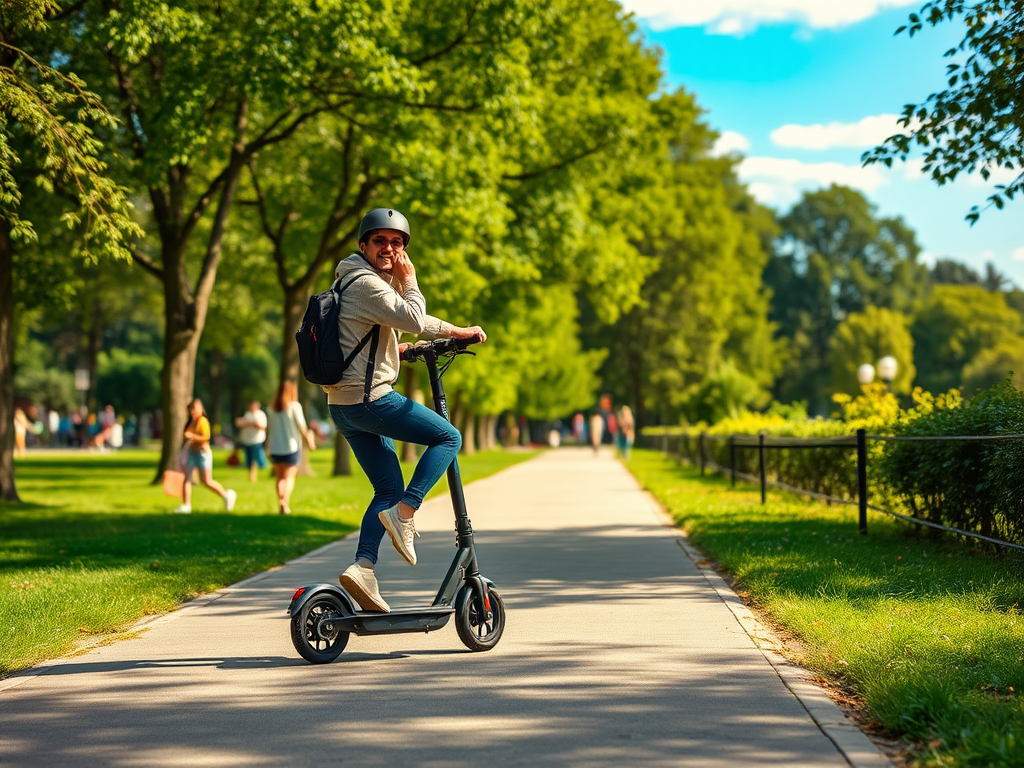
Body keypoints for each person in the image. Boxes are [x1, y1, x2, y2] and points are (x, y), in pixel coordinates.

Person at [324, 208, 485, 613]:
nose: (390, 250)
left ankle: (363, 568)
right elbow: (411, 316)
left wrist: (453, 331)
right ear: (363, 245)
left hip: (344, 407)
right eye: (381, 242)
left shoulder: (351, 282)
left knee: (385, 488)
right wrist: (408, 278)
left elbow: (389, 328)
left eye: (397, 244)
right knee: (449, 436)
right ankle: (406, 513)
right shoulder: (369, 285)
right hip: (372, 401)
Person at [174, 398, 236, 514]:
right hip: (192, 453)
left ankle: (226, 495)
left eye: (195, 408)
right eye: (191, 409)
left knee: (207, 481)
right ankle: (186, 505)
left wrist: (193, 437)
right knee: (187, 479)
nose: (193, 411)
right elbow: (186, 433)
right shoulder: (192, 422)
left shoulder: (203, 421)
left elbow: (206, 437)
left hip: (203, 454)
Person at [267, 381, 315, 515]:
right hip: (291, 447)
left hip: (275, 448)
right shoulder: (294, 406)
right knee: (289, 477)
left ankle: (280, 500)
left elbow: (269, 429)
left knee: (280, 477)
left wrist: (267, 446)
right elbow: (302, 426)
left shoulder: (271, 408)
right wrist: (309, 441)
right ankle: (284, 501)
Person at [234, 399, 268, 483]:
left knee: (257, 459)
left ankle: (254, 475)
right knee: (249, 459)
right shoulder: (247, 415)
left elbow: (262, 426)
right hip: (247, 440)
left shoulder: (260, 415)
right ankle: (251, 476)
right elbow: (240, 424)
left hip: (257, 440)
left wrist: (250, 424)